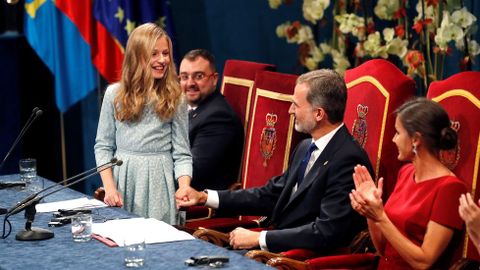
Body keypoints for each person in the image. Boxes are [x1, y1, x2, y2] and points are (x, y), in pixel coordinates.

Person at [175, 69, 372, 253]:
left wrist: (261, 238)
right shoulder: (305, 147)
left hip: (298, 259)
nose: (290, 111)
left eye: (296, 104)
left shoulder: (348, 160)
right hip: (276, 249)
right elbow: (270, 195)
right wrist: (203, 197)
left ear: (319, 113)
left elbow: (326, 232)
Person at [350, 98, 467, 269]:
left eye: (397, 132)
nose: (393, 139)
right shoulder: (405, 172)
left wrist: (381, 217)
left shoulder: (451, 189)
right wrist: (370, 212)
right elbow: (383, 249)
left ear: (415, 139)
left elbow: (424, 261)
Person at [94, 23, 192, 224]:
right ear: (137, 56)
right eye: (154, 54)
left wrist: (183, 186)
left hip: (160, 186)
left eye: (166, 53)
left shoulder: (176, 97)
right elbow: (103, 146)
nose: (163, 60)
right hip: (125, 183)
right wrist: (110, 188)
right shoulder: (114, 94)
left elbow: (182, 153)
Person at [179, 49, 244, 190]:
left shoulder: (218, 118)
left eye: (198, 76)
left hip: (197, 203)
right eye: (184, 77)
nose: (190, 83)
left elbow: (192, 173)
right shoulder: (186, 107)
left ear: (214, 79)